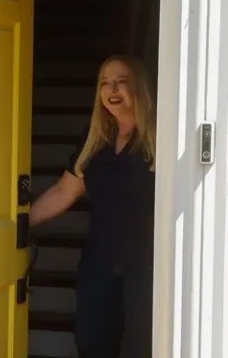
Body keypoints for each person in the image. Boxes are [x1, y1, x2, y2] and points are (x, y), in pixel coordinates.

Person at [29, 54, 157, 358]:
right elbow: (65, 191)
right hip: (99, 264)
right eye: (104, 83)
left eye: (121, 82)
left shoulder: (158, 137)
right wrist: (20, 224)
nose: (112, 90)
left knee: (142, 347)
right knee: (92, 343)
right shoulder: (96, 140)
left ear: (139, 86)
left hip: (146, 266)